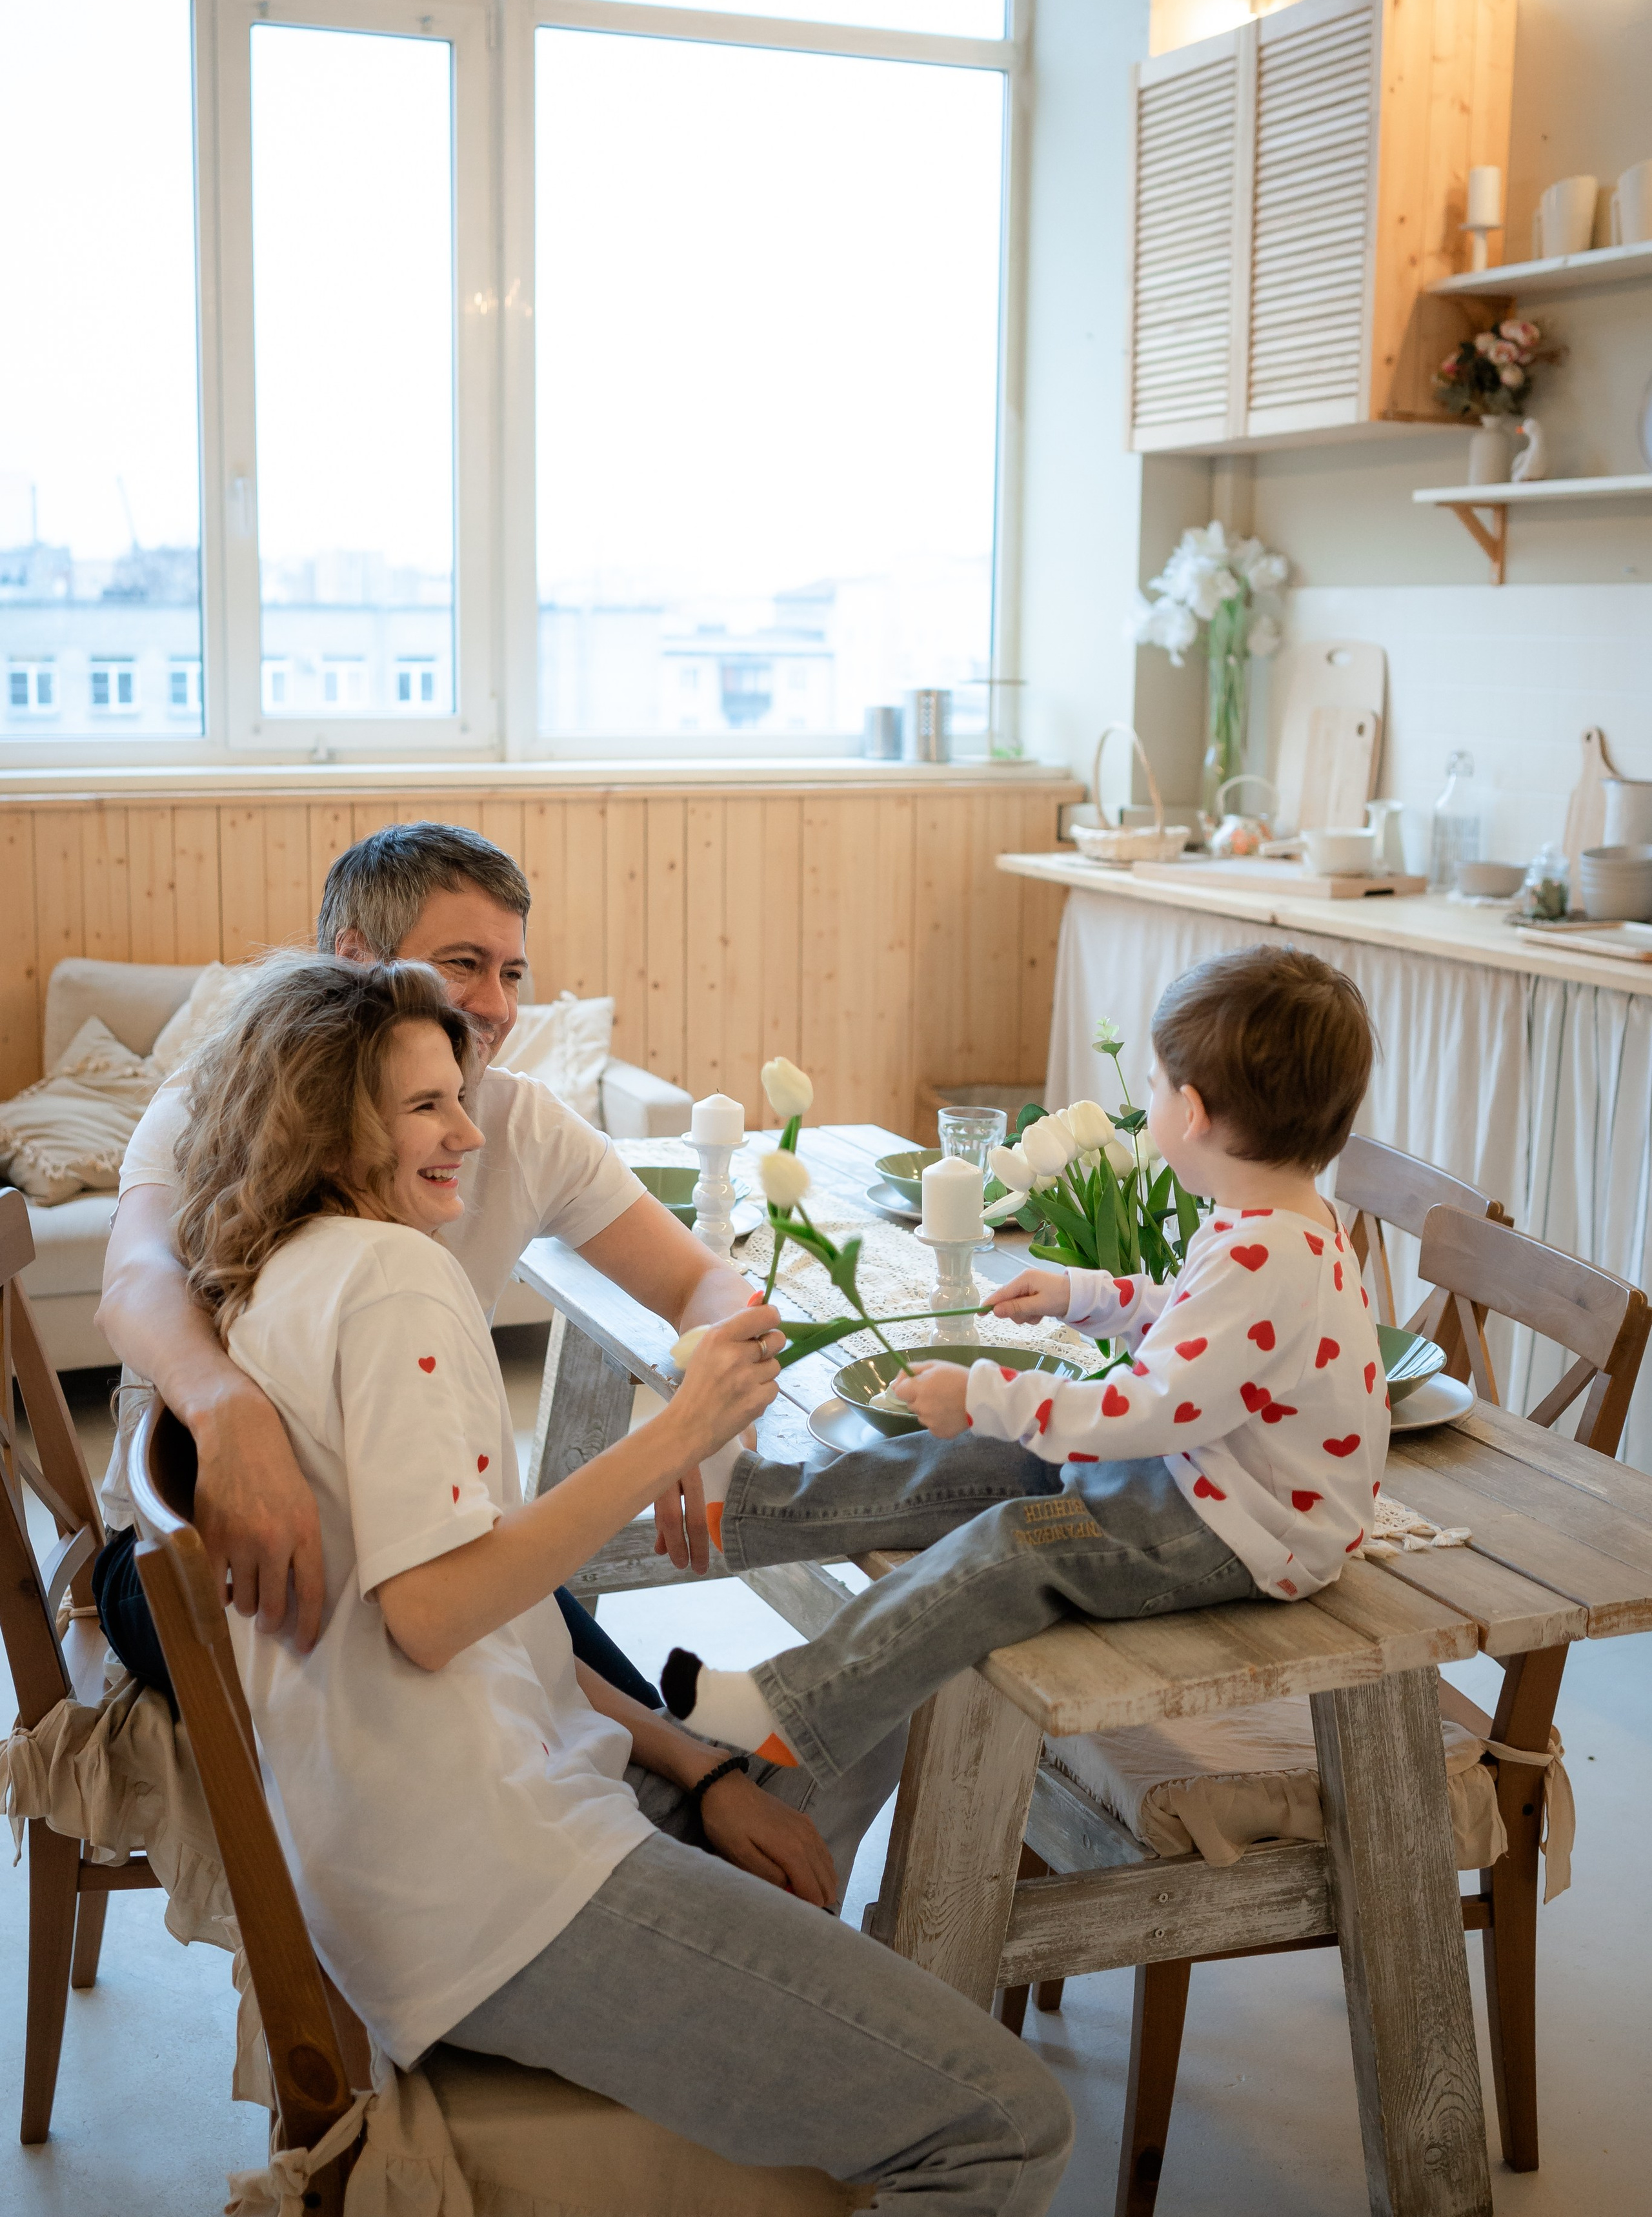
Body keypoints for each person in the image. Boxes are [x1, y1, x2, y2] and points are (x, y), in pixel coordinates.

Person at [168, 952, 1073, 2210]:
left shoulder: (275, 1279)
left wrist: (695, 1766)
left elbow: (468, 1631)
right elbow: (433, 1615)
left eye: (459, 1095)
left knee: (876, 1666)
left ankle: (836, 2009)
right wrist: (678, 1433)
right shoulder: (391, 1282)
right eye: (423, 1105)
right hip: (490, 1890)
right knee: (1009, 2122)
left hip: (445, 1841)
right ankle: (864, 2038)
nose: (465, 1132)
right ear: (326, 1123)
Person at [658, 947, 1385, 1785]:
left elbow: (1147, 1408)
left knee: (1017, 1545)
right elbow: (1197, 1320)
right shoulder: (1278, 1220)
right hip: (1208, 1484)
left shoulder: (1269, 1252)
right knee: (997, 1463)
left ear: (1190, 1112)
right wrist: (1083, 1294)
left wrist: (984, 1394)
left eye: (1150, 1084)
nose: (1146, 1101)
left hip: (1239, 1537)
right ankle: (750, 1511)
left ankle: (797, 1708)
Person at [94, 822, 748, 1714]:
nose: (498, 1005)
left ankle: (701, 1774)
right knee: (561, 1716)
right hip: (203, 1555)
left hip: (414, 1540)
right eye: (463, 964)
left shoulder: (519, 1121)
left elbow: (701, 1279)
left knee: (639, 1741)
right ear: (357, 958)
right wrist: (227, 1409)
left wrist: (694, 1378)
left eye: (512, 972)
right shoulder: (219, 1102)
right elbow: (135, 1284)